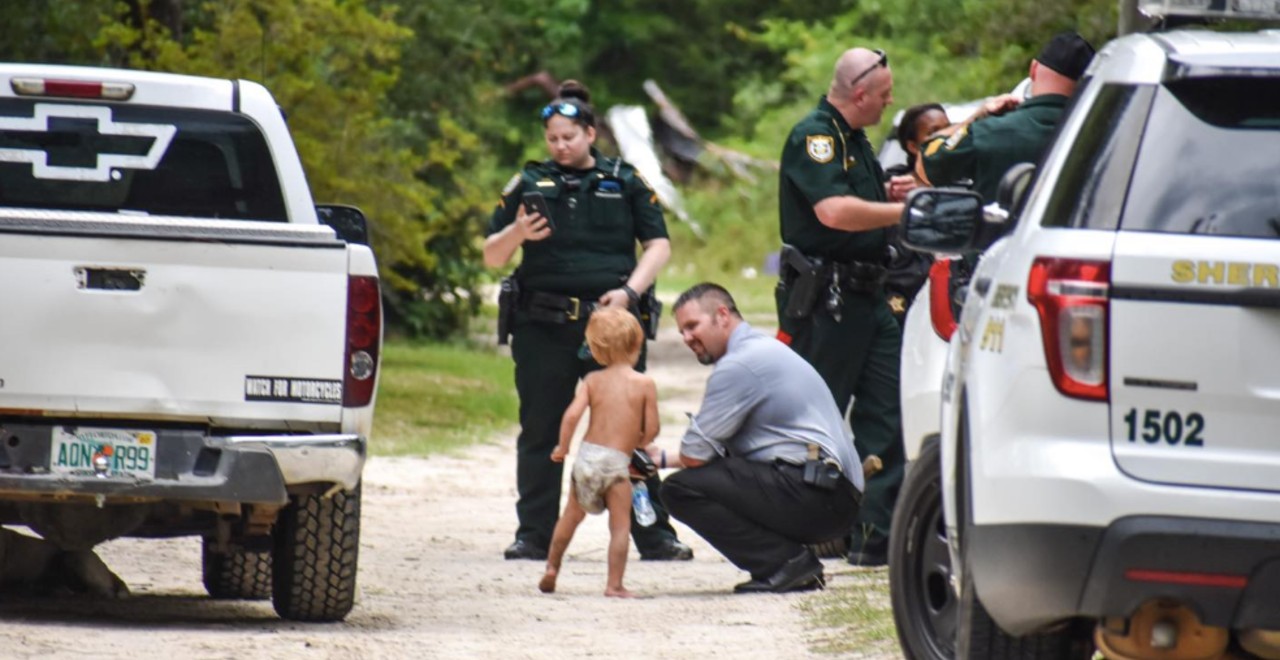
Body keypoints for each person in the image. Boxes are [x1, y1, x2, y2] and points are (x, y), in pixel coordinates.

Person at [483, 80, 692, 562]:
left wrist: (629, 293)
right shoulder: (528, 183)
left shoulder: (626, 179)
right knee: (540, 430)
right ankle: (533, 534)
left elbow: (658, 245)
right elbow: (492, 255)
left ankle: (654, 533)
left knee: (628, 431)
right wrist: (516, 231)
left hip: (610, 327)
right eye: (553, 138)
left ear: (591, 133)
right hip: (542, 325)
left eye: (569, 137)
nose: (560, 146)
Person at [775, 47, 909, 567]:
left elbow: (860, 204)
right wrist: (904, 209)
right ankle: (800, 530)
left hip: (871, 295)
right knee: (815, 414)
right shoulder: (816, 136)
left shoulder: (855, 140)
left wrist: (892, 192)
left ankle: (873, 534)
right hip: (827, 300)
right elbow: (832, 212)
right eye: (883, 94)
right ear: (859, 94)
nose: (889, 102)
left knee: (889, 407)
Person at [658, 283, 864, 593]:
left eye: (692, 326)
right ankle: (790, 562)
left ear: (722, 315)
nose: (687, 338)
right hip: (833, 493)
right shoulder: (762, 349)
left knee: (680, 489)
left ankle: (786, 564)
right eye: (682, 331)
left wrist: (664, 461)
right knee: (714, 474)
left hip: (821, 496)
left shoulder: (739, 365)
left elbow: (695, 456)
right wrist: (657, 458)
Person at [538, 308, 658, 598]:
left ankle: (552, 567)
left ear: (594, 349)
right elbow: (652, 429)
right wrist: (639, 443)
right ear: (636, 345)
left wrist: (562, 447)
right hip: (617, 462)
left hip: (588, 457)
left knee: (570, 516)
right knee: (620, 526)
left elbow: (571, 416)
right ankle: (614, 584)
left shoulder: (592, 381)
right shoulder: (644, 384)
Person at [918, 31, 1096, 202]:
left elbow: (928, 163)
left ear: (1033, 69)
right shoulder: (1098, 138)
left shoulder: (987, 132)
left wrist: (977, 116)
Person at [882, 103, 950, 324]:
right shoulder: (892, 186)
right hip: (901, 297)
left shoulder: (964, 186)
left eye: (948, 129)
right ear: (912, 146)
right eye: (932, 132)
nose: (944, 137)